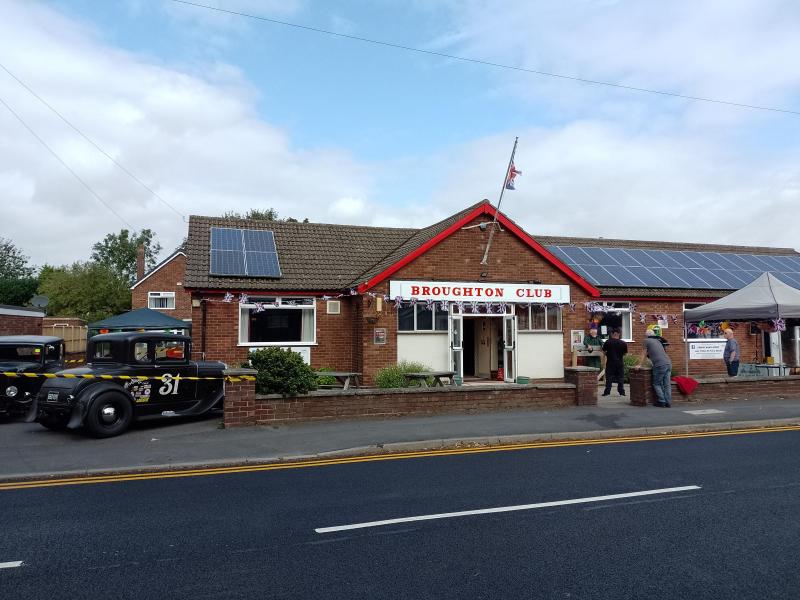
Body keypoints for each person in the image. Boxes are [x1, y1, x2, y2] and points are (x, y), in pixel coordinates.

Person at [635, 326, 673, 407]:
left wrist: (639, 364)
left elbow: (643, 354)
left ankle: (662, 401)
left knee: (657, 383)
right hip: (668, 363)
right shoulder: (658, 341)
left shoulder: (646, 341)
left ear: (646, 335)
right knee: (667, 384)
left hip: (660, 365)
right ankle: (668, 402)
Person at [602, 327, 628, 396]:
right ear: (619, 334)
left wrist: (607, 356)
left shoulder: (608, 342)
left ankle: (607, 392)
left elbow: (604, 352)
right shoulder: (623, 343)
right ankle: (621, 392)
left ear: (612, 334)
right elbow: (625, 354)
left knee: (609, 377)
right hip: (620, 362)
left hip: (610, 362)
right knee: (620, 377)